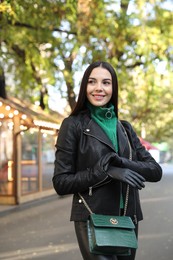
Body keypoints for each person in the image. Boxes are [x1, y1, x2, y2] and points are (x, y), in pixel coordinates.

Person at [52, 61, 162, 260]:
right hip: (92, 217)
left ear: (113, 88)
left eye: (106, 82)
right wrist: (106, 171)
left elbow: (155, 171)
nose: (99, 88)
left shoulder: (126, 128)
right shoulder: (73, 125)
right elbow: (61, 182)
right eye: (92, 82)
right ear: (85, 86)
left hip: (129, 218)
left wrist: (120, 163)